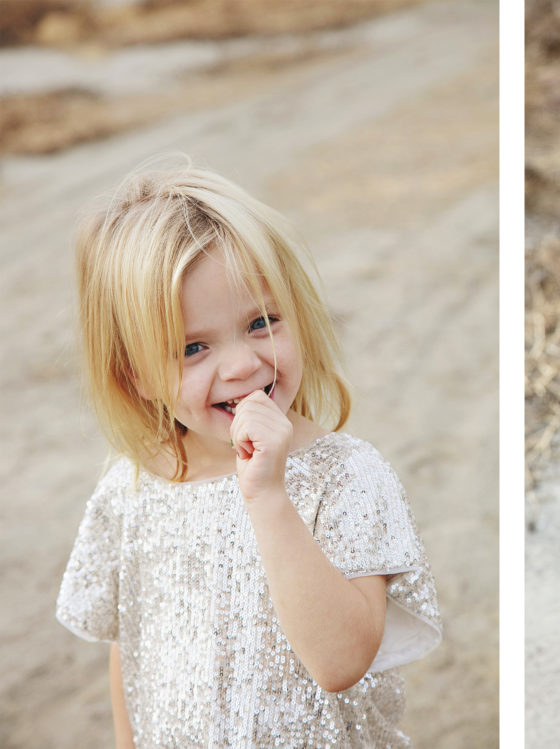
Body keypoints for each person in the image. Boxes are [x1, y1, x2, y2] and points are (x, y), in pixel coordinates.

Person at [57, 160, 441, 748]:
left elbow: (340, 663)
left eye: (262, 321)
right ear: (135, 376)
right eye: (192, 347)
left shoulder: (346, 476)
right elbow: (129, 644)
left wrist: (267, 494)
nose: (241, 365)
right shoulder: (134, 486)